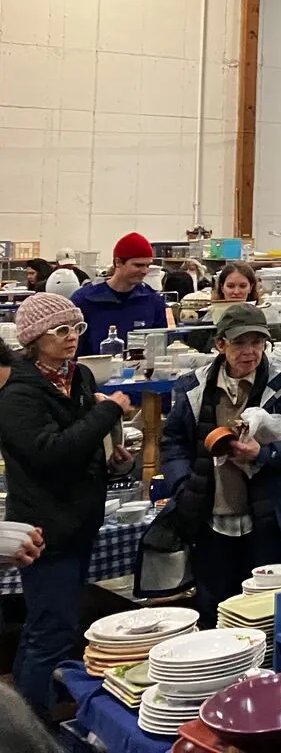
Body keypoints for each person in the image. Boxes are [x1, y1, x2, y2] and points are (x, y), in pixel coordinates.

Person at [0, 293, 135, 715]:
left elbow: (81, 447)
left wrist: (113, 462)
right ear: (34, 339)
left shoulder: (78, 378)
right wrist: (108, 413)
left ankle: (30, 717)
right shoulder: (18, 395)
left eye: (75, 328)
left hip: (80, 521)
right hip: (44, 531)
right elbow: (51, 453)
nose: (71, 338)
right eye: (60, 331)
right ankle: (31, 730)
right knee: (49, 633)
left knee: (56, 629)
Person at [160, 304, 281, 627]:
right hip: (212, 524)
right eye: (240, 343)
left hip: (270, 523)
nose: (250, 352)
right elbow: (174, 443)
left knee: (273, 615)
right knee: (217, 615)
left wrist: (264, 455)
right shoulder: (193, 388)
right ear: (220, 345)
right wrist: (183, 485)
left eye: (257, 343)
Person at [71, 232, 166, 357]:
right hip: (93, 373)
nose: (145, 271)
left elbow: (160, 347)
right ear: (118, 262)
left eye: (148, 265)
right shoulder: (84, 300)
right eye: (138, 265)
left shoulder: (153, 301)